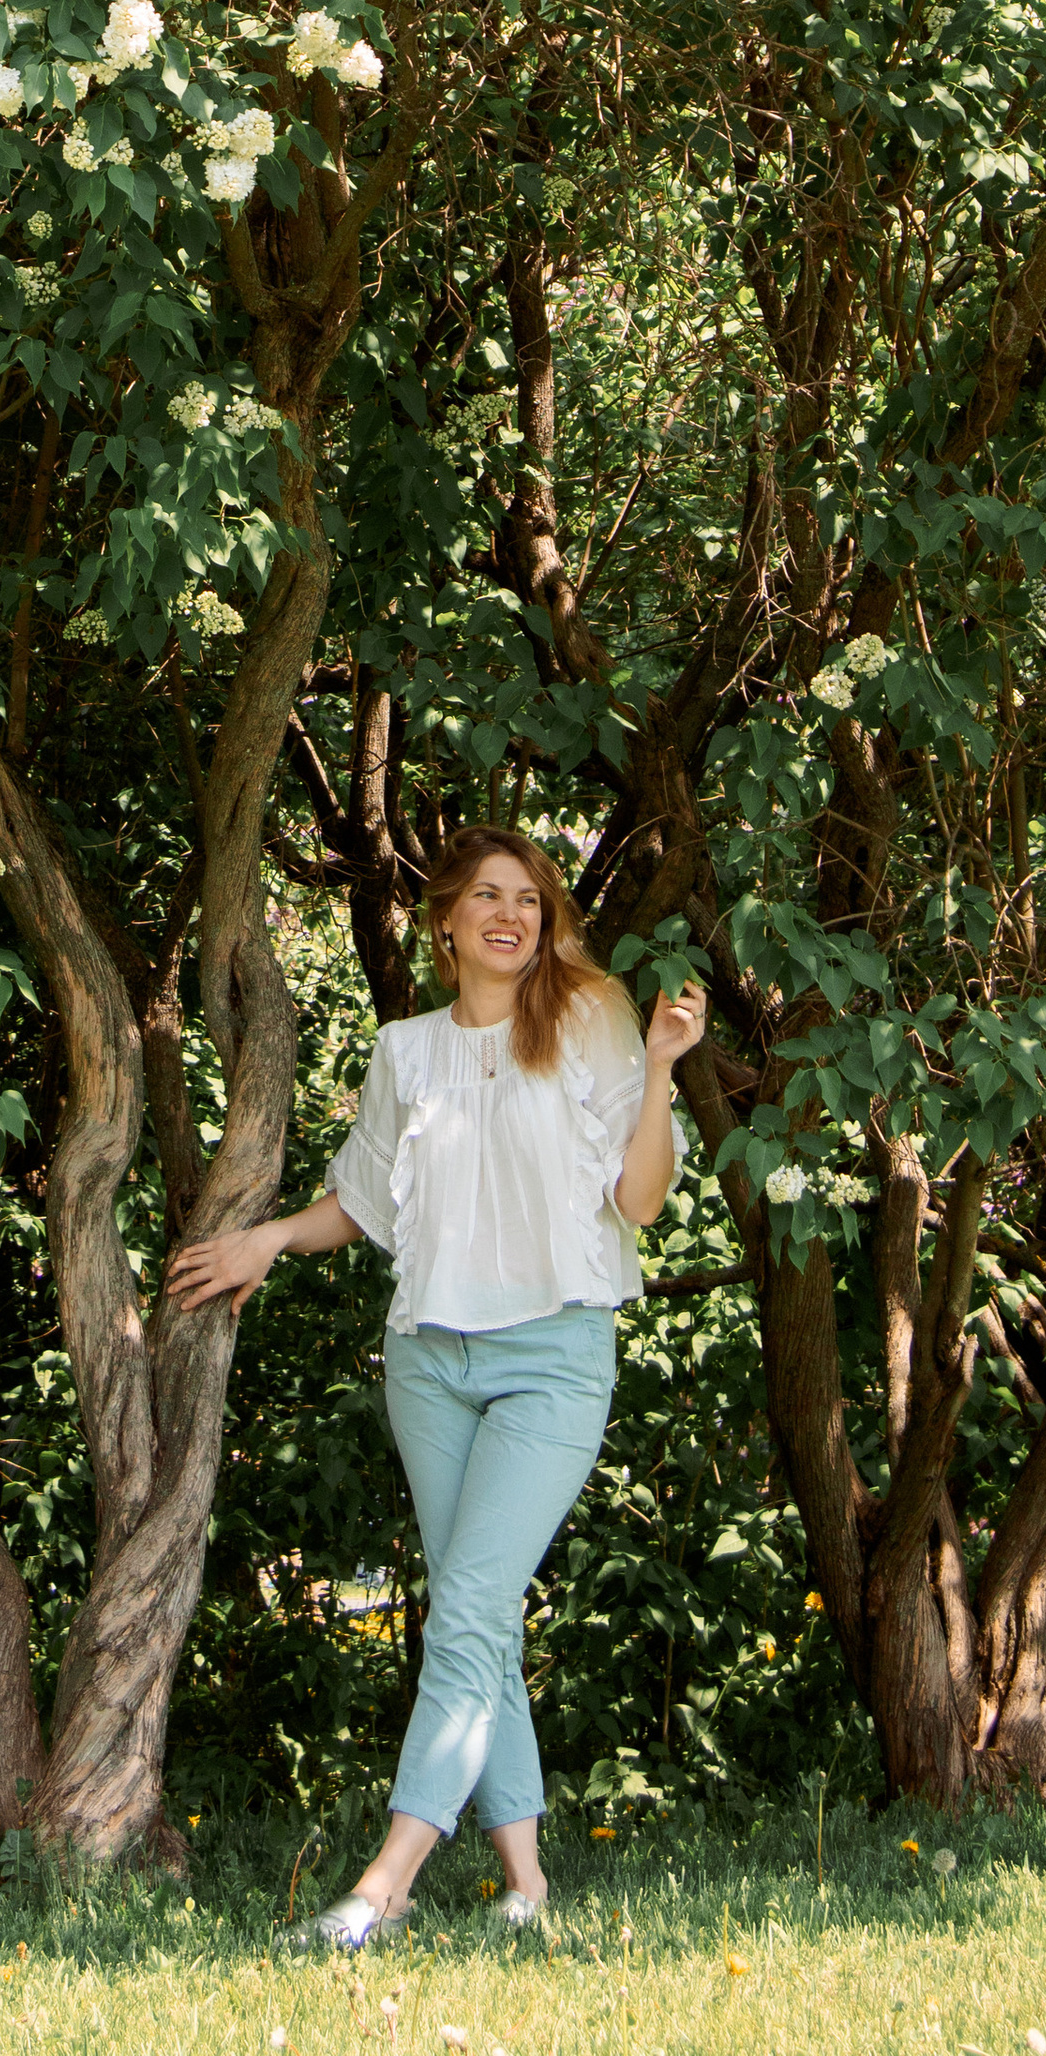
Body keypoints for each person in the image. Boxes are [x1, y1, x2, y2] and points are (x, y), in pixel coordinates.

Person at [165, 823, 707, 1948]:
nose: (512, 914)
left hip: (553, 1356)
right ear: (447, 920)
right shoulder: (403, 1051)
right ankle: (526, 1889)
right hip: (429, 1360)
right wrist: (265, 1241)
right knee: (478, 1612)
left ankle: (386, 1883)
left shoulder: (593, 1021)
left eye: (530, 899)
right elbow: (364, 1205)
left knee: (463, 1609)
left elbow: (642, 1204)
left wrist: (658, 1073)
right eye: (487, 897)